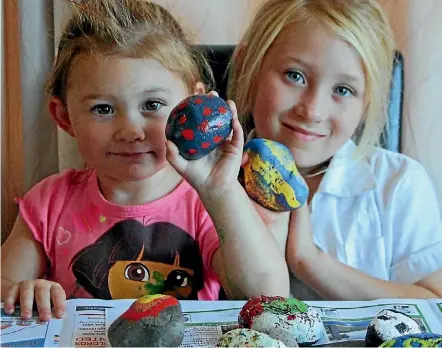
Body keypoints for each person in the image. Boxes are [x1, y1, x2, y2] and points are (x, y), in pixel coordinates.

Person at [1, 0, 288, 321]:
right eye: (103, 109)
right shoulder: (48, 202)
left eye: (152, 104)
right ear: (64, 117)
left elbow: (269, 297)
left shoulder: (209, 203)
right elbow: (5, 289)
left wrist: (220, 192)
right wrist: (25, 290)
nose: (130, 131)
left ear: (195, 103)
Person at [228, 0, 442, 299]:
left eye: (343, 90)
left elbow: (434, 303)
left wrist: (309, 261)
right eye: (295, 75)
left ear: (366, 104)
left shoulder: (398, 183)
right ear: (246, 65)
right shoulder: (209, 176)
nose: (313, 110)